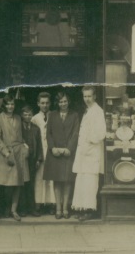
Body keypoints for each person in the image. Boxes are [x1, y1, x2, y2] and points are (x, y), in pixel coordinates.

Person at [72, 86, 106, 222]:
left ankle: (89, 211)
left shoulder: (98, 111)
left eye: (89, 96)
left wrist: (88, 140)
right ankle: (82, 209)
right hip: (84, 153)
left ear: (95, 97)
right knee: (82, 182)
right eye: (85, 96)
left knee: (90, 183)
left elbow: (100, 133)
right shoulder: (88, 111)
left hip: (91, 153)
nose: (87, 99)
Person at [43, 91, 79, 219]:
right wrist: (52, 148)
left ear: (68, 102)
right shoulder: (52, 115)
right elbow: (49, 133)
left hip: (68, 153)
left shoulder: (74, 115)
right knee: (57, 181)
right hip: (55, 153)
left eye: (65, 101)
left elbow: (75, 133)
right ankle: (58, 208)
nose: (63, 104)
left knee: (68, 181)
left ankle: (65, 209)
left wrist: (69, 148)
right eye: (60, 102)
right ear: (57, 103)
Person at [0, 94, 29, 221]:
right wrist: (6, 153)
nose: (10, 106)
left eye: (12, 104)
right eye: (8, 104)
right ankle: (6, 208)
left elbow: (21, 136)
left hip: (19, 152)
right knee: (8, 184)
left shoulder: (18, 118)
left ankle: (14, 210)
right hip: (7, 153)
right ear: (4, 105)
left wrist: (25, 147)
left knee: (18, 183)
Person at [31, 92, 56, 215]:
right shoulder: (34, 118)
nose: (45, 105)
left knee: (51, 178)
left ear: (50, 103)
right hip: (40, 153)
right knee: (39, 178)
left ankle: (52, 203)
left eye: (47, 103)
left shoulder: (54, 116)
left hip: (51, 151)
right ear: (38, 104)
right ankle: (38, 204)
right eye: (42, 103)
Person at [18, 105, 43, 217]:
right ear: (22, 115)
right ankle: (22, 209)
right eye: (25, 114)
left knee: (31, 184)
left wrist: (38, 159)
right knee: (22, 184)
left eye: (29, 114)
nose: (27, 116)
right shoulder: (18, 128)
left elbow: (40, 145)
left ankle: (32, 208)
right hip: (22, 160)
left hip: (32, 160)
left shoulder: (35, 128)